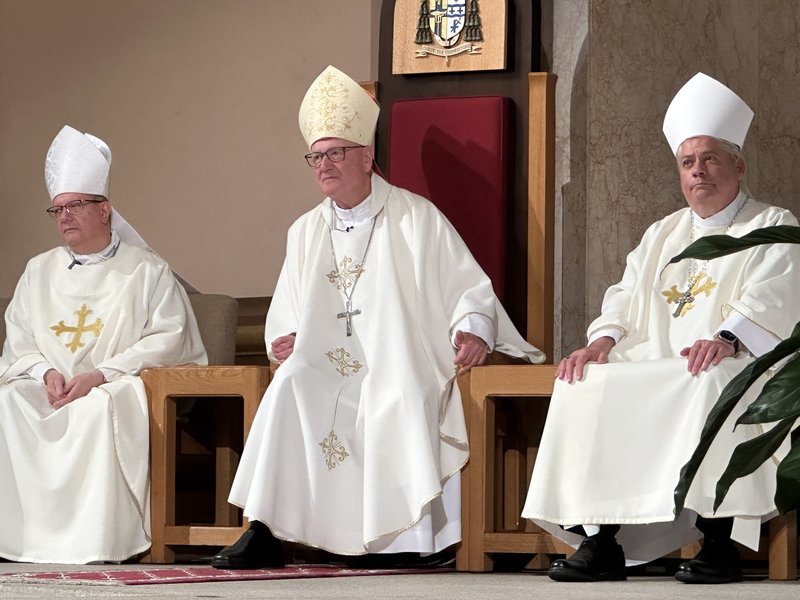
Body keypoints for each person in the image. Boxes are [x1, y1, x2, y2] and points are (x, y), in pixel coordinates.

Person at [211, 65, 544, 569]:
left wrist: (473, 327)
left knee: (398, 391)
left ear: (367, 156)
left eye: (335, 153)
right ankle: (266, 529)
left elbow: (467, 287)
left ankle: (404, 540)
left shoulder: (417, 217)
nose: (323, 164)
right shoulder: (304, 231)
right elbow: (288, 309)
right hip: (329, 363)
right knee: (291, 385)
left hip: (401, 357)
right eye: (316, 156)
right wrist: (285, 338)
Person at [521, 73, 800, 584]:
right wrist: (600, 341)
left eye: (711, 158)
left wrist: (728, 337)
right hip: (655, 360)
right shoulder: (662, 233)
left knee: (714, 380)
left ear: (738, 165)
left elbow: (776, 295)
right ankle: (601, 539)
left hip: (729, 360)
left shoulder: (771, 223)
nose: (699, 172)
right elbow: (625, 294)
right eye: (688, 162)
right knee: (586, 381)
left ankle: (718, 541)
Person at [0, 125, 207, 563]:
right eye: (57, 210)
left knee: (98, 409)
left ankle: (96, 540)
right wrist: (45, 372)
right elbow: (18, 337)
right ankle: (24, 538)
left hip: (115, 385)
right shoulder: (38, 270)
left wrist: (100, 375)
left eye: (76, 205)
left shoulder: (146, 270)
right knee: (11, 401)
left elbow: (170, 338)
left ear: (105, 209)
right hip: (51, 388)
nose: (65, 216)